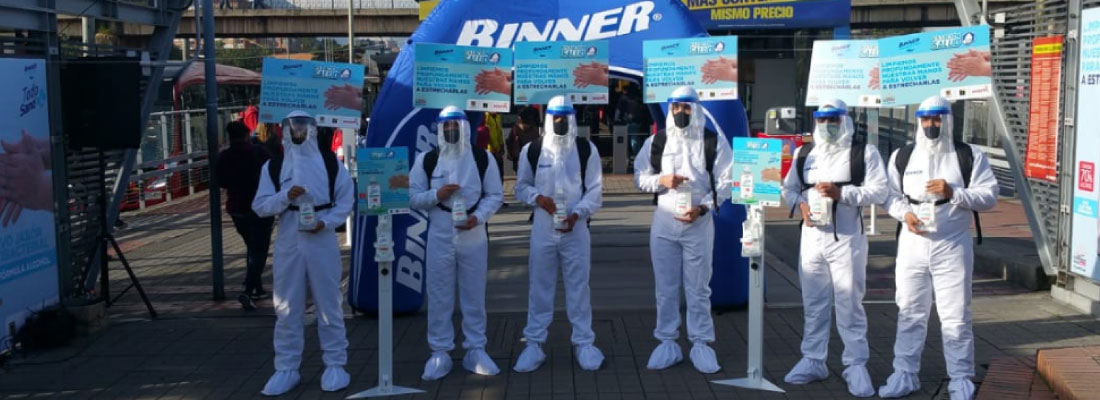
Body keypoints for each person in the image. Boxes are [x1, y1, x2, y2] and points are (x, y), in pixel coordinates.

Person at [878, 96, 998, 400]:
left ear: (948, 120)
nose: (931, 125)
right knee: (909, 311)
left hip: (952, 244)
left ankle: (960, 377)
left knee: (956, 314)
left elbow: (989, 196)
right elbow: (889, 195)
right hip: (913, 243)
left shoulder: (968, 155)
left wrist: (953, 192)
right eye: (926, 119)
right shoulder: (902, 156)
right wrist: (903, 214)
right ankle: (904, 373)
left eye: (937, 119)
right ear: (918, 121)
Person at [780, 99, 887, 397]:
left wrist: (843, 193)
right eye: (823, 119)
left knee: (849, 303)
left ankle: (855, 364)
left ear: (845, 121)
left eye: (834, 119)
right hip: (812, 238)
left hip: (847, 238)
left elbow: (880, 190)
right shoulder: (805, 153)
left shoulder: (862, 153)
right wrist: (799, 205)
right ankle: (813, 359)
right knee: (813, 303)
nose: (828, 125)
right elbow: (788, 188)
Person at [251, 111, 354, 396]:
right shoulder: (274, 167)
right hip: (289, 234)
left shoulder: (330, 163)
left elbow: (346, 198)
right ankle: (286, 367)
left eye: (302, 126)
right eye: (292, 126)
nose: (297, 131)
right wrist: (286, 196)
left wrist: (328, 222)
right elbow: (260, 206)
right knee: (286, 304)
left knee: (329, 302)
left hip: (321, 235)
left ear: (312, 129)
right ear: (284, 130)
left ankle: (335, 363)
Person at [633, 86, 732, 374]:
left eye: (686, 107)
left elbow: (726, 181)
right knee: (665, 289)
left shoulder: (712, 142)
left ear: (696, 109)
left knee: (699, 287)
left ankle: (701, 343)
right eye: (675, 107)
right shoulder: (657, 141)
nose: (680, 112)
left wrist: (704, 207)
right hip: (664, 221)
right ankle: (667, 342)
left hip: (698, 222)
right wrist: (661, 181)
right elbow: (640, 177)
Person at [409, 106, 503, 380]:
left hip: (473, 234)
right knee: (439, 294)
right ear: (439, 128)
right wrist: (436, 195)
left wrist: (478, 217)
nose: (451, 130)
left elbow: (495, 195)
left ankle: (476, 348)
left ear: (465, 128)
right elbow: (413, 197)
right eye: (446, 126)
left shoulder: (482, 158)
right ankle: (440, 351)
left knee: (474, 294)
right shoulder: (427, 160)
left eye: (456, 126)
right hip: (439, 231)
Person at [513, 95, 605, 373]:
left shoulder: (586, 149)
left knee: (579, 286)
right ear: (548, 119)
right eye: (556, 117)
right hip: (543, 226)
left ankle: (584, 342)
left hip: (575, 229)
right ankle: (534, 343)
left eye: (566, 116)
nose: (561, 121)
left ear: (573, 118)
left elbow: (595, 190)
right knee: (540, 286)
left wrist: (578, 213)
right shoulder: (533, 149)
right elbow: (521, 187)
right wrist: (539, 198)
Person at [217, 121, 274, 310]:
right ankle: (248, 290)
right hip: (261, 208)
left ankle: (256, 286)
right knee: (259, 250)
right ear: (246, 134)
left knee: (252, 247)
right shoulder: (259, 152)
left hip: (237, 208)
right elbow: (273, 173)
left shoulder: (224, 156)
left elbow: (222, 182)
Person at [507, 107, 541, 175]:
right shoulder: (534, 130)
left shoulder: (515, 129)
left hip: (519, 160)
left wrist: (512, 154)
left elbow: (509, 143)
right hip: (532, 160)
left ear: (520, 118)